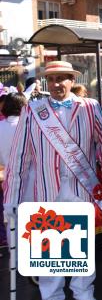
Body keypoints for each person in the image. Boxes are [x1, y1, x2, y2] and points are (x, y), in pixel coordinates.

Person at [3, 61, 102, 300]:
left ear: (72, 80)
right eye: (51, 79)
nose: (56, 84)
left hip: (83, 190)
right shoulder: (33, 110)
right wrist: (12, 199)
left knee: (82, 253)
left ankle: (84, 294)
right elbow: (20, 156)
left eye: (62, 78)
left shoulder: (91, 107)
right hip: (47, 192)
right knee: (51, 257)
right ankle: (52, 296)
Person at [0, 93, 27, 253]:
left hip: (8, 180)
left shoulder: (1, 127)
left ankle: (15, 259)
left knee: (12, 220)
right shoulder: (30, 126)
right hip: (32, 179)